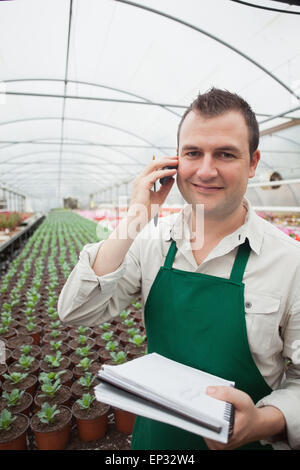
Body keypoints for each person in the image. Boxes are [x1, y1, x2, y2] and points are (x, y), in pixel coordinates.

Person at [58, 88, 300, 450]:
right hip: (156, 442)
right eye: (193, 153)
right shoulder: (150, 242)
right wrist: (135, 219)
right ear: (174, 162)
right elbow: (75, 310)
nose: (206, 170)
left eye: (225, 154)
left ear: (253, 162)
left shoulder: (289, 262)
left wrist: (262, 422)